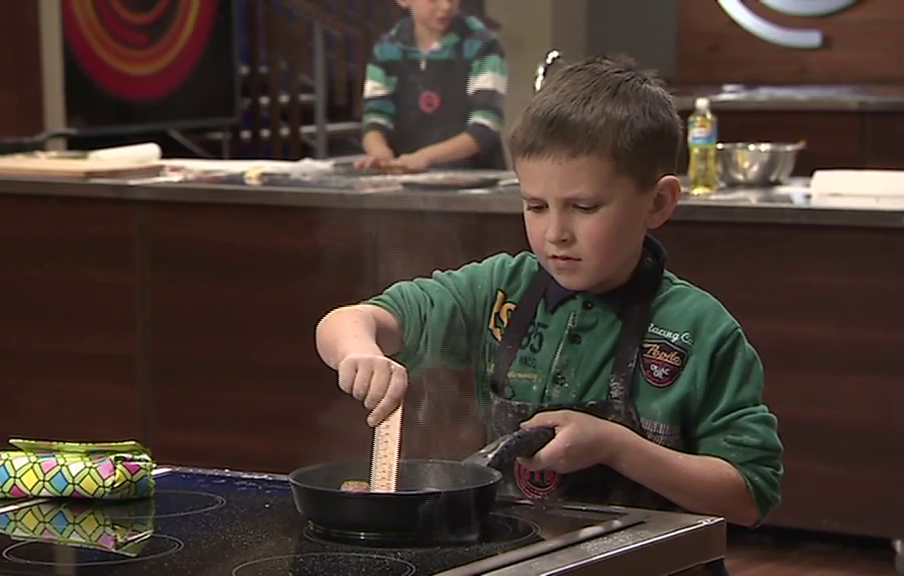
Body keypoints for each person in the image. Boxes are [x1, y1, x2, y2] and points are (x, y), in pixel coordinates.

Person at [316, 54, 783, 570]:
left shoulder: (699, 329)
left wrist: (616, 447)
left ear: (658, 202)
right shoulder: (499, 291)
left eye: (584, 208)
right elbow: (349, 321)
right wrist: (360, 352)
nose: (555, 233)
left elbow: (748, 496)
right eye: (535, 206)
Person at [355, 0, 508, 172]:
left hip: (475, 175)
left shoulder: (482, 44)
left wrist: (424, 158)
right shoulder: (387, 49)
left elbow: (486, 126)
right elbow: (375, 117)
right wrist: (379, 152)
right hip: (404, 174)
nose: (445, 6)